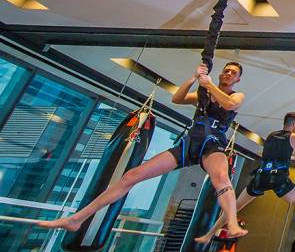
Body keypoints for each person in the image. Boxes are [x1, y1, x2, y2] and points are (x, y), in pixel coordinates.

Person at [38, 62, 247, 240]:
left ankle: (231, 223)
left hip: (212, 144)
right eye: (226, 70)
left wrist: (208, 83)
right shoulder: (203, 94)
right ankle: (77, 219)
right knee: (131, 175)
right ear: (221, 73)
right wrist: (194, 78)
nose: (228, 74)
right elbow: (177, 99)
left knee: (221, 177)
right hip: (189, 143)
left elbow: (228, 105)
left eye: (233, 73)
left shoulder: (237, 96)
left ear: (237, 80)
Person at [195, 111, 295, 251]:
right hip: (278, 177)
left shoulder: (271, 135)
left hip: (261, 176)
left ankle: (208, 234)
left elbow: (276, 150)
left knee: (234, 207)